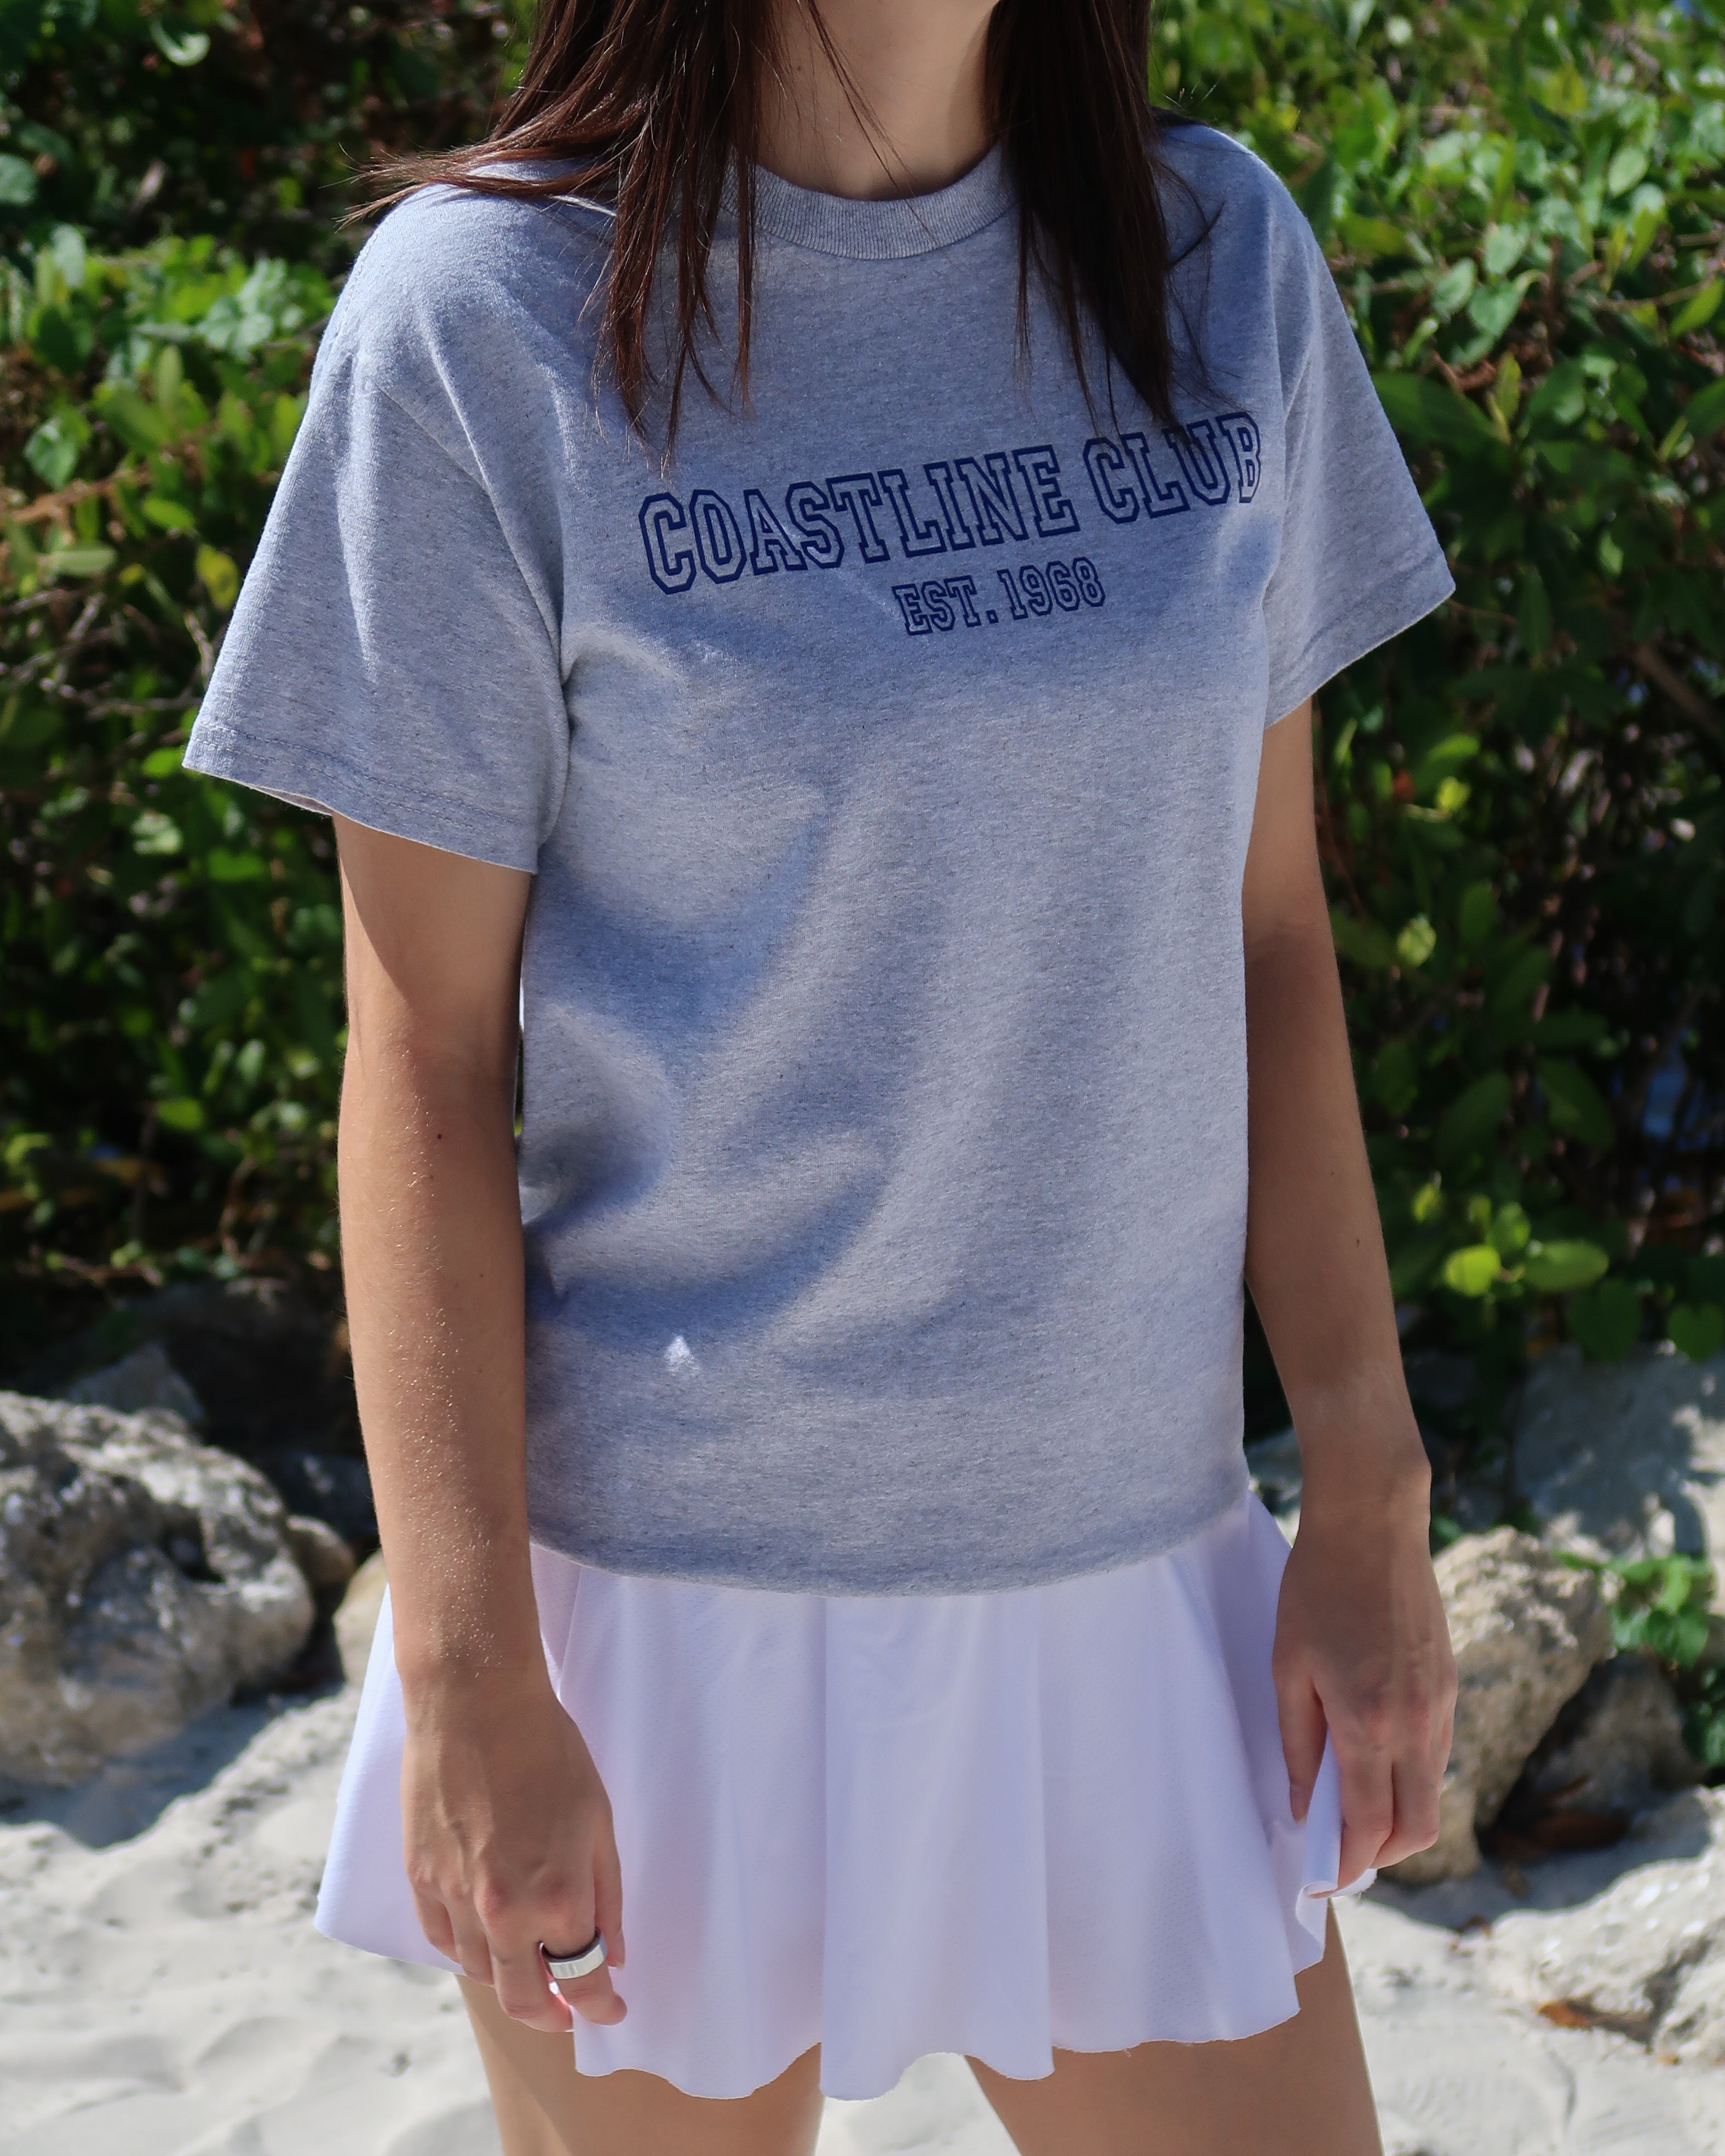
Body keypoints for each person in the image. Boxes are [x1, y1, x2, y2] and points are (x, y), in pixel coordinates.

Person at [184, 0, 1459, 2149]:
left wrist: (1364, 1473)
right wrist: (468, 1663)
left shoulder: (1215, 259)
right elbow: (418, 1063)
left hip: (1127, 1581)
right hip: (654, 1628)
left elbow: (1262, 935)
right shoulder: (478, 325)